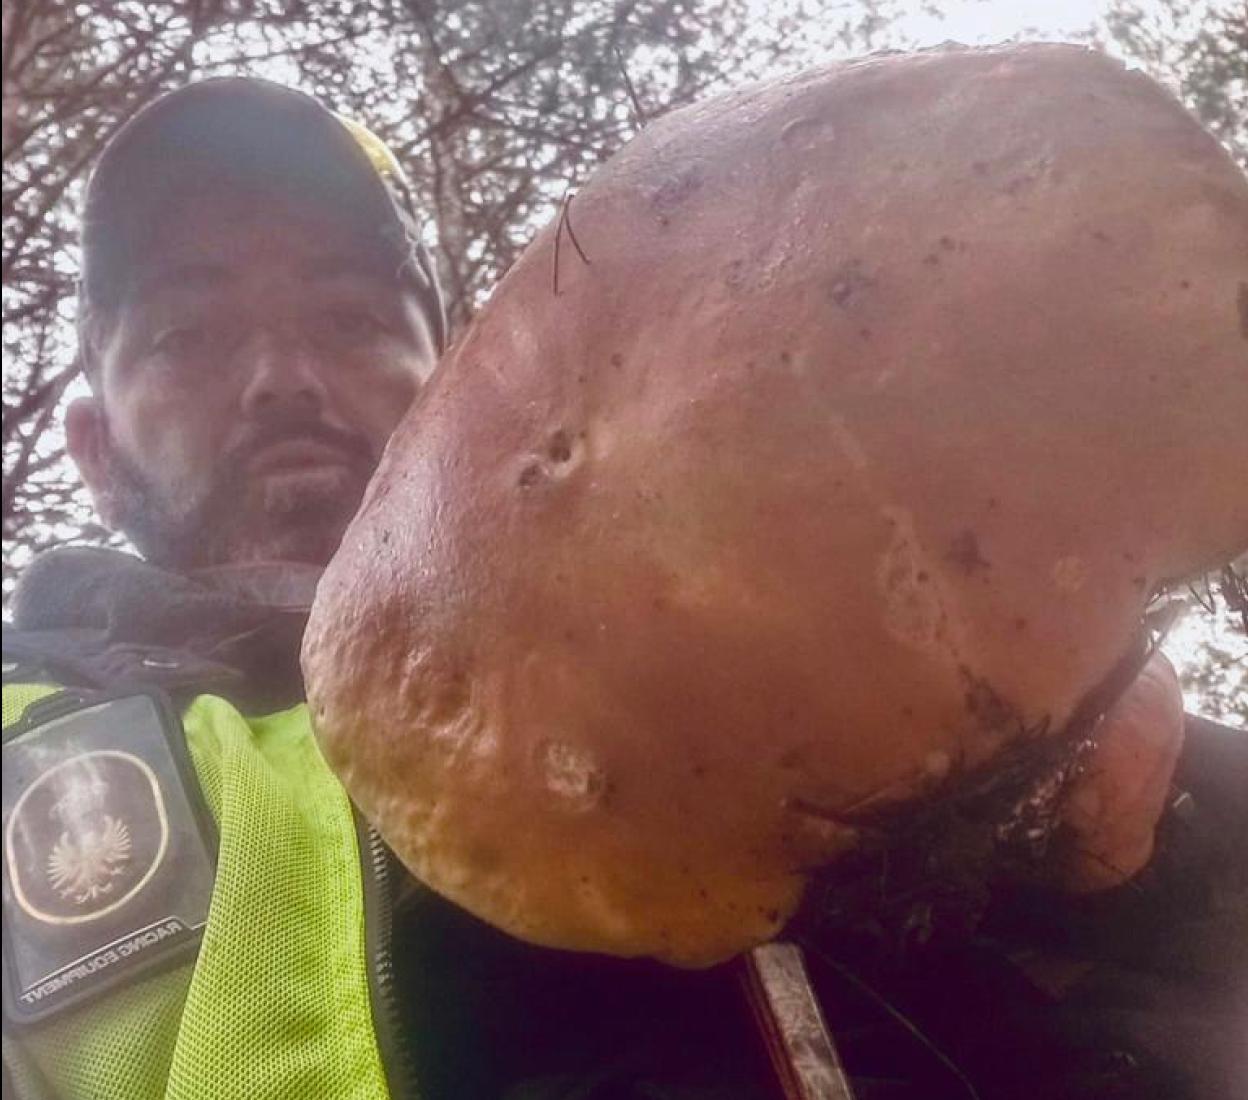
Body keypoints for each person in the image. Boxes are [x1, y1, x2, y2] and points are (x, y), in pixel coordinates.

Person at [2, 77, 1244, 1100]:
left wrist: (1139, 872)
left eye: (346, 313)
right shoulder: (22, 751)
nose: (280, 373)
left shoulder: (766, 608)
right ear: (92, 445)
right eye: (188, 332)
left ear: (457, 383)